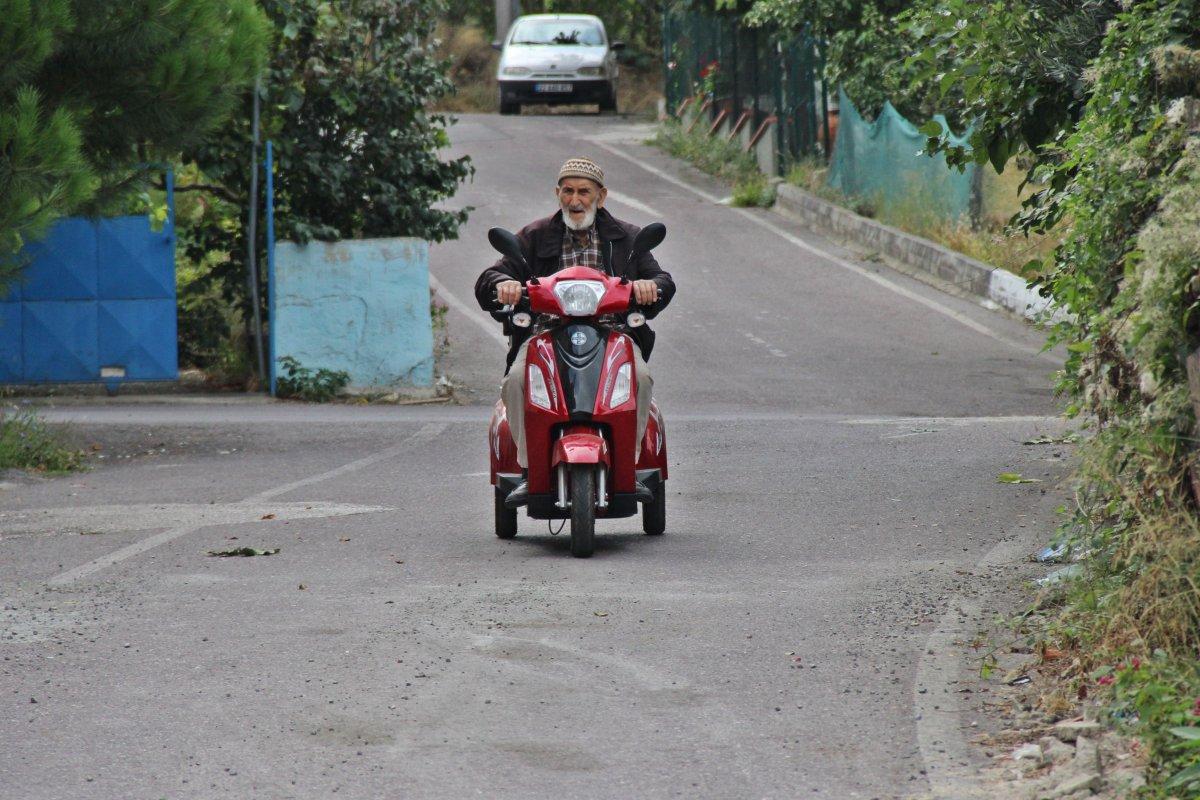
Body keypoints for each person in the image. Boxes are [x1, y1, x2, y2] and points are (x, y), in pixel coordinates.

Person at [474, 156, 676, 505]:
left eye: (584, 191)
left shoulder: (626, 237)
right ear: (558, 194)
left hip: (613, 336)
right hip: (545, 335)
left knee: (640, 378)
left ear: (601, 195)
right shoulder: (535, 236)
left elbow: (662, 280)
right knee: (517, 381)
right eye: (567, 191)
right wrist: (504, 283)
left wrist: (648, 286)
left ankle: (627, 466)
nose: (575, 200)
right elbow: (490, 277)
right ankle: (527, 469)